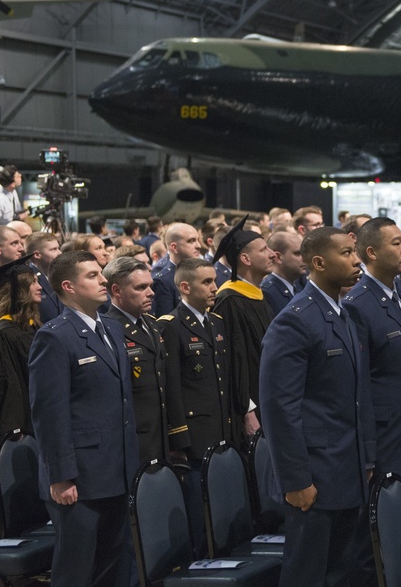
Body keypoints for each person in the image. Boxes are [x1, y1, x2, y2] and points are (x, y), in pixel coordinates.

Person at [258, 227, 373, 587]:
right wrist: (295, 480)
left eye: (355, 252)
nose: (357, 261)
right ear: (319, 262)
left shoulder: (343, 313)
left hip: (345, 465)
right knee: (307, 573)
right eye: (347, 254)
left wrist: (366, 459)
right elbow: (279, 408)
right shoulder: (295, 319)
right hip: (314, 474)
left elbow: (356, 396)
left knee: (340, 570)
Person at [28, 250, 139, 587]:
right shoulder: (54, 336)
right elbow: (49, 412)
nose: (103, 280)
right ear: (68, 286)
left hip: (117, 467)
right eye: (92, 275)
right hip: (79, 476)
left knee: (113, 562)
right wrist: (60, 475)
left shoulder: (112, 328)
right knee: (76, 569)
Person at [342, 217, 401, 584]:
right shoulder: (359, 303)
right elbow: (358, 385)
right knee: (372, 542)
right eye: (396, 243)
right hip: (384, 439)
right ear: (371, 253)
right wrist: (368, 451)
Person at [157, 258, 231, 553]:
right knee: (200, 512)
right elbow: (172, 388)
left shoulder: (216, 322)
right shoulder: (173, 326)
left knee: (222, 508)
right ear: (185, 287)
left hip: (220, 427)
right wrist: (180, 437)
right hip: (195, 435)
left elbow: (222, 383)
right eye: (207, 282)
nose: (215, 287)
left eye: (214, 280)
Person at [103, 256, 181, 466]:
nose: (151, 293)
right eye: (141, 287)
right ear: (116, 290)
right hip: (133, 440)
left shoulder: (151, 323)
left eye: (151, 286)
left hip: (160, 434)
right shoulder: (109, 329)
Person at [211, 217, 277, 447]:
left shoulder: (260, 296)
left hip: (269, 398)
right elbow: (232, 360)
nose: (272, 254)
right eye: (264, 249)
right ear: (245, 259)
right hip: (250, 408)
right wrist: (247, 410)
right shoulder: (228, 300)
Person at [0, 253, 43, 437]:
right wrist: (15, 431)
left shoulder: (33, 326)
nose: (40, 287)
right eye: (33, 282)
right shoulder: (4, 333)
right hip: (23, 422)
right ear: (19, 289)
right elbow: (6, 387)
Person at [152, 223, 202, 316]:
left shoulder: (201, 273)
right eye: (191, 241)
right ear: (174, 247)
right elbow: (166, 323)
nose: (198, 245)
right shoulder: (163, 281)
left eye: (198, 240)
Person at [261, 230, 306, 314]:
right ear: (278, 257)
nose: (304, 258)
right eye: (298, 253)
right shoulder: (267, 293)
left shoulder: (298, 286)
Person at [25, 232, 63, 324]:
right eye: (53, 250)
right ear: (37, 254)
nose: (59, 253)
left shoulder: (61, 275)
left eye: (58, 248)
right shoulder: (27, 278)